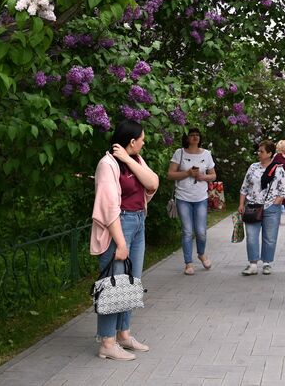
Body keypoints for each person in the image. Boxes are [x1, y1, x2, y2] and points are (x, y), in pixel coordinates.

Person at [90, 119, 159, 361]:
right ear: (132, 141)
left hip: (138, 222)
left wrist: (130, 159)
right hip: (119, 226)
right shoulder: (107, 164)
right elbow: (108, 207)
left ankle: (123, 335)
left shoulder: (135, 160)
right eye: (141, 139)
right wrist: (120, 243)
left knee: (131, 281)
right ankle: (107, 342)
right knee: (114, 284)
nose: (144, 142)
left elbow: (153, 183)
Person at [166, 128, 216, 275]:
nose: (195, 137)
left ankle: (201, 254)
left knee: (201, 231)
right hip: (183, 198)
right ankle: (188, 263)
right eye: (192, 135)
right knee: (187, 231)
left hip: (201, 197)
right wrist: (187, 173)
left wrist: (203, 177)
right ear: (187, 138)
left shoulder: (206, 154)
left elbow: (213, 175)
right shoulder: (179, 153)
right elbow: (170, 174)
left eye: (197, 135)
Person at [238, 140, 285, 275]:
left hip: (271, 208)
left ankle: (267, 263)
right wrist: (241, 204)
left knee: (270, 237)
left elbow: (284, 189)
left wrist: (276, 202)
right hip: (252, 206)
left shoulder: (278, 169)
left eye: (261, 151)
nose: (258, 153)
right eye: (259, 151)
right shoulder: (253, 167)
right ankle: (253, 264)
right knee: (251, 235)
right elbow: (245, 187)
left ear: (269, 153)